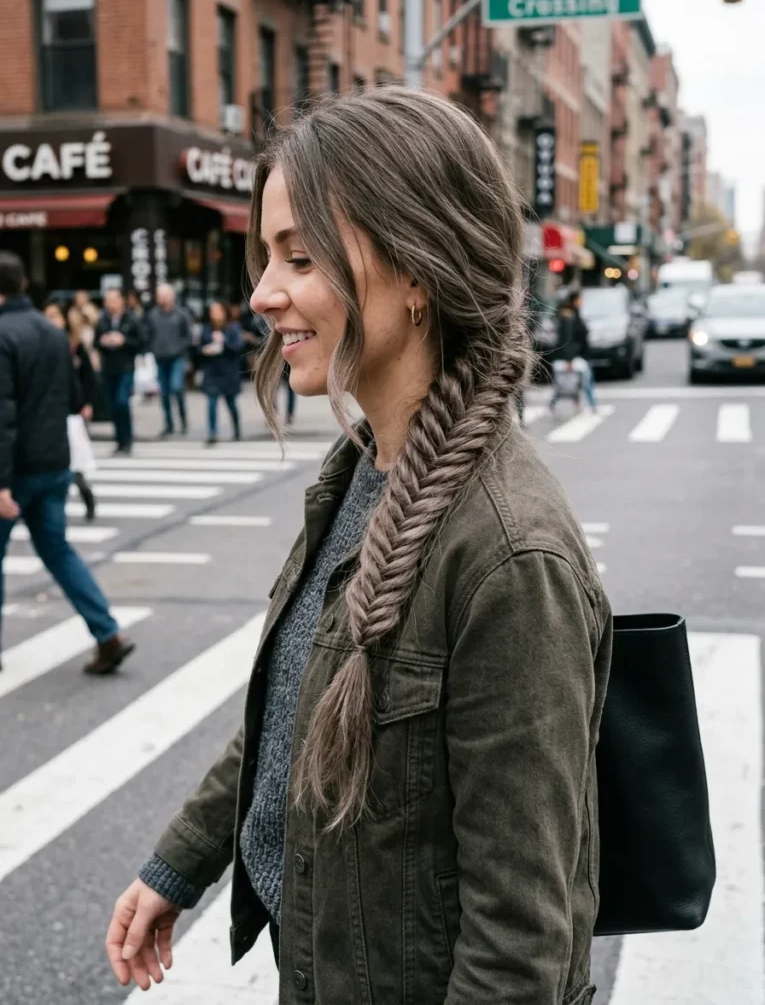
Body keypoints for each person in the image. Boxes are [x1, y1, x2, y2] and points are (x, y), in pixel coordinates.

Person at [106, 88, 611, 1001]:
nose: (261, 294)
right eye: (267, 255)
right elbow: (298, 711)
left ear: (417, 271)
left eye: (299, 257)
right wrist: (178, 866)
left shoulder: (508, 555)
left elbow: (521, 946)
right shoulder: (360, 473)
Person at [0, 253, 135, 674]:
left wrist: (1, 484)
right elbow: (77, 396)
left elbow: (2, 414)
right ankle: (108, 633)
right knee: (58, 550)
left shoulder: (3, 335)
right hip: (55, 462)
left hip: (15, 469)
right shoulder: (54, 333)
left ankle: (108, 635)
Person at [43, 300, 97, 522]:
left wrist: (84, 403)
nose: (51, 320)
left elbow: (80, 378)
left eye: (55, 315)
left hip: (68, 411)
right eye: (48, 315)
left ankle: (87, 498)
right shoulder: (40, 342)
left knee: (74, 463)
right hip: (46, 412)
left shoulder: (71, 344)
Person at [94, 288, 145, 454]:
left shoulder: (131, 319)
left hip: (125, 366)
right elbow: (96, 342)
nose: (109, 303)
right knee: (112, 404)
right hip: (108, 367)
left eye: (113, 299)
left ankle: (127, 439)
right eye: (107, 300)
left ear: (121, 300)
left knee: (122, 401)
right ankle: (119, 440)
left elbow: (141, 341)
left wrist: (124, 341)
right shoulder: (103, 320)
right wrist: (103, 342)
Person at [145, 284, 192, 437]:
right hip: (160, 358)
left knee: (176, 387)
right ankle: (169, 424)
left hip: (177, 357)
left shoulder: (181, 314)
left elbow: (188, 336)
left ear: (172, 296)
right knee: (164, 393)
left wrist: (180, 348)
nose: (161, 298)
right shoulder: (152, 315)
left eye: (164, 295)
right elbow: (148, 334)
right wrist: (153, 348)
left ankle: (183, 420)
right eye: (159, 295)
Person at [200, 300, 244, 445]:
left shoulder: (233, 328)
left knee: (230, 403)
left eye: (217, 311)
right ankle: (212, 433)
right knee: (211, 402)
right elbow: (198, 347)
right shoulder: (207, 329)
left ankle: (237, 429)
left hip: (228, 371)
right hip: (212, 370)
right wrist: (204, 350)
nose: (215, 314)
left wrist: (224, 342)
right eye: (212, 311)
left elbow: (238, 348)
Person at [551, 289, 597, 412]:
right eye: (580, 299)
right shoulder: (568, 316)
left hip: (580, 354)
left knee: (570, 382)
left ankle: (554, 403)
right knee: (582, 380)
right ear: (575, 300)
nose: (582, 302)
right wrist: (569, 359)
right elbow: (567, 338)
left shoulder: (574, 313)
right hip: (575, 355)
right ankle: (592, 405)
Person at [67, 289, 99, 353]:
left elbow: (96, 323)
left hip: (91, 343)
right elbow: (74, 327)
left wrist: (87, 313)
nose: (81, 300)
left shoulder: (92, 308)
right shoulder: (72, 311)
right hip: (77, 343)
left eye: (83, 298)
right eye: (79, 298)